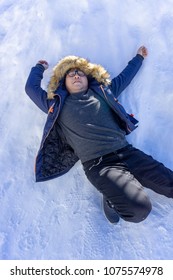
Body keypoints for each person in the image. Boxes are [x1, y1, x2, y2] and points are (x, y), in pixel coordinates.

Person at [25, 46, 173, 224]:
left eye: (80, 73)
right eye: (71, 75)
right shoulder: (55, 104)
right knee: (139, 210)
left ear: (88, 79)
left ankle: (120, 188)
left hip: (128, 153)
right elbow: (31, 88)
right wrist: (38, 68)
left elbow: (124, 78)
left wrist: (138, 58)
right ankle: (112, 198)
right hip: (100, 165)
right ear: (64, 83)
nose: (76, 76)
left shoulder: (104, 92)